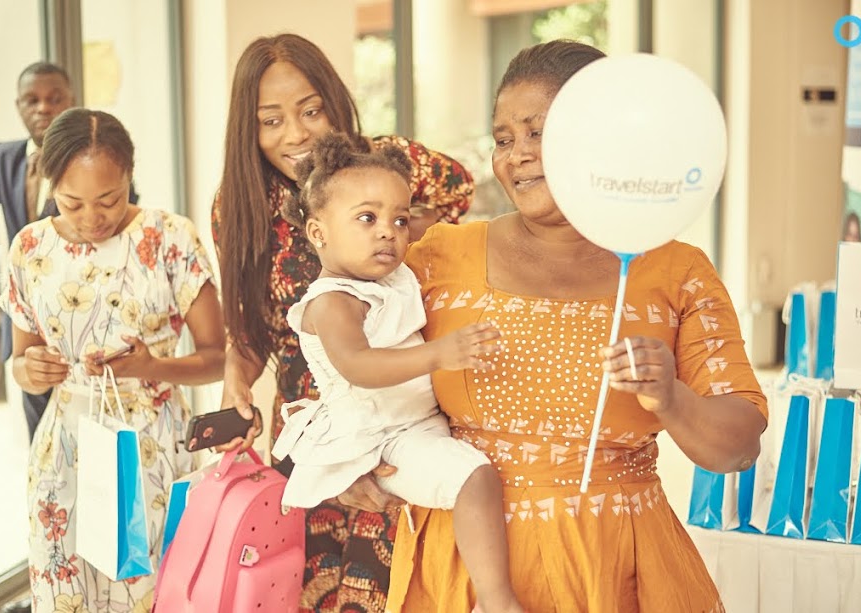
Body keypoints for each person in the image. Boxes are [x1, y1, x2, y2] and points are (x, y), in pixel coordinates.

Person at [331, 40, 768, 612]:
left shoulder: (676, 270)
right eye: (504, 139)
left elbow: (738, 449)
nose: (516, 156)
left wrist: (672, 398)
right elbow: (340, 345)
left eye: (539, 133)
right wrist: (344, 459)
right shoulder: (437, 257)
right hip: (465, 574)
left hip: (618, 571)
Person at [212, 34, 474, 611]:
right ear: (248, 130)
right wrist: (236, 376)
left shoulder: (384, 165)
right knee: (317, 593)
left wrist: (412, 228)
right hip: (314, 440)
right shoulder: (237, 204)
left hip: (404, 419)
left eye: (311, 110)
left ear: (334, 100)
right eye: (271, 120)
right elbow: (251, 332)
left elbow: (460, 188)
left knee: (404, 590)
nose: (297, 134)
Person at [270, 133, 522, 613]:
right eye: (367, 218)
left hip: (414, 420)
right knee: (477, 479)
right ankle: (497, 600)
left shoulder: (390, 275)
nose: (389, 231)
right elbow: (360, 366)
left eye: (399, 219)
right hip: (382, 435)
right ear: (319, 233)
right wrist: (440, 355)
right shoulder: (332, 302)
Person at [0, 108, 224, 611]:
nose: (91, 218)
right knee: (66, 591)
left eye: (109, 199)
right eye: (71, 202)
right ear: (49, 183)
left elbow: (217, 359)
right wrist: (30, 370)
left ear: (130, 176)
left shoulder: (169, 238)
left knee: (149, 590)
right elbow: (20, 364)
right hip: (65, 449)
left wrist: (152, 367)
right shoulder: (30, 248)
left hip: (151, 441)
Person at [0, 61, 138, 440]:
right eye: (32, 100)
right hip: (30, 336)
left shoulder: (105, 168)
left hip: (92, 333)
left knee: (104, 444)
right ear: (19, 106)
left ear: (72, 102)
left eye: (53, 98)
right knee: (43, 438)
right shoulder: (5, 159)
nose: (43, 108)